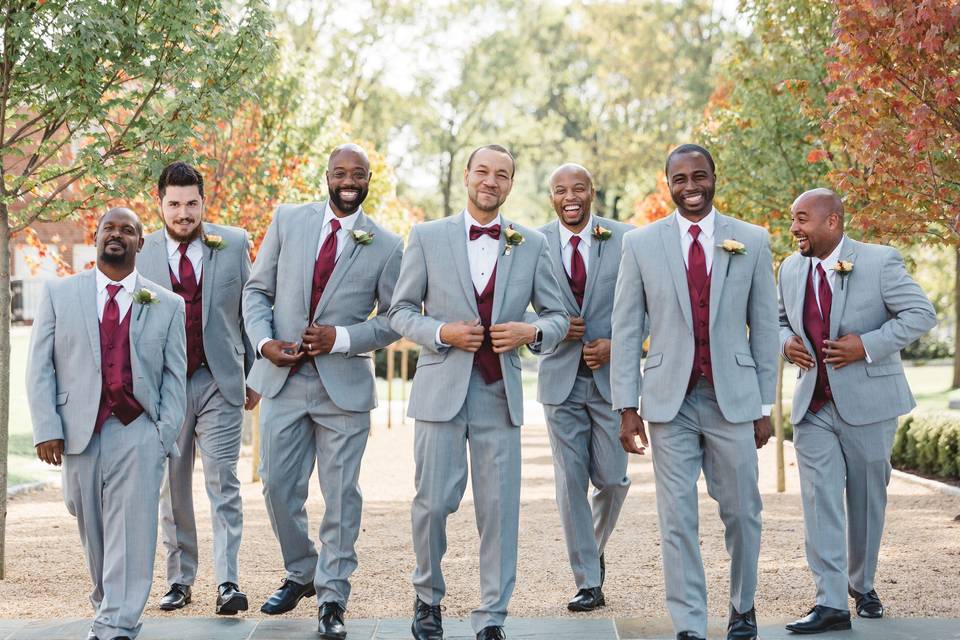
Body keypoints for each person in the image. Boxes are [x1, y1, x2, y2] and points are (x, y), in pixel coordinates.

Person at [389, 144, 568, 640]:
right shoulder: (426, 236)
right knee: (431, 503)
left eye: (503, 175)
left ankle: (492, 615)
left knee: (499, 511)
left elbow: (557, 318)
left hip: (498, 394)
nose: (491, 181)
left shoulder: (531, 243)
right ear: (467, 176)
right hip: (440, 389)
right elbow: (400, 311)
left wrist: (530, 333)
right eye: (483, 172)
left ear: (511, 184)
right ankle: (427, 599)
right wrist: (443, 332)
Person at [610, 144, 778, 640]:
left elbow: (765, 329)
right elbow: (625, 328)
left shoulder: (752, 239)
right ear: (668, 184)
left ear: (713, 178)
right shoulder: (640, 244)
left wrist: (764, 405)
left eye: (699, 176)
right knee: (676, 517)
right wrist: (626, 406)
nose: (690, 187)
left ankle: (742, 608)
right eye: (680, 179)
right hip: (668, 400)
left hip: (733, 399)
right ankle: (689, 623)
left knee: (744, 510)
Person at [243, 143, 403, 640]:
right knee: (275, 485)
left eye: (358, 174)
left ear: (370, 179)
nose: (348, 181)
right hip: (284, 379)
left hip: (344, 389)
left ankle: (332, 596)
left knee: (339, 496)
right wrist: (264, 342)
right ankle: (301, 569)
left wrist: (343, 338)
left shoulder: (387, 244)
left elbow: (395, 319)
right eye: (340, 173)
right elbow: (256, 291)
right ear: (327, 176)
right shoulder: (288, 220)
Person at [779, 188, 936, 634]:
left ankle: (861, 584)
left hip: (869, 404)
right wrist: (785, 344)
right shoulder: (790, 269)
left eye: (802, 219)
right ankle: (829, 602)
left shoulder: (880, 261)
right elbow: (777, 321)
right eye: (794, 219)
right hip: (814, 406)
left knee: (867, 501)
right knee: (818, 501)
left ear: (832, 222)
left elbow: (921, 314)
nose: (794, 229)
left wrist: (865, 345)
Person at [27, 207, 187, 640]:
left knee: (133, 529)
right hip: (78, 431)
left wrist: (162, 437)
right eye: (109, 229)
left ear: (141, 243)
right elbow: (40, 366)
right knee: (91, 526)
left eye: (128, 230)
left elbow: (176, 378)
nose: (117, 235)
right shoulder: (60, 294)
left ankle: (116, 623)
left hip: (138, 430)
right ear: (96, 237)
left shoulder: (168, 304)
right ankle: (108, 605)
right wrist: (47, 428)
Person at [136, 161, 257, 615]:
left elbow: (251, 310)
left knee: (223, 480)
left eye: (191, 203)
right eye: (174, 204)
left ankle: (228, 582)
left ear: (203, 201)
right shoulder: (141, 251)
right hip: (166, 388)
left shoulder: (233, 243)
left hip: (219, 380)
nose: (183, 213)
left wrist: (256, 375)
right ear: (160, 203)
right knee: (173, 485)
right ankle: (180, 579)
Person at [533, 163, 632, 612]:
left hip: (613, 381)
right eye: (560, 190)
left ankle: (593, 548)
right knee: (570, 481)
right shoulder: (531, 244)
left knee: (612, 479)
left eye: (578, 188)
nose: (569, 196)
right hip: (560, 381)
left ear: (592, 191)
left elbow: (648, 306)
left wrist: (620, 344)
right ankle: (588, 580)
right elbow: (517, 311)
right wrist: (548, 329)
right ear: (550, 197)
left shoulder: (627, 238)